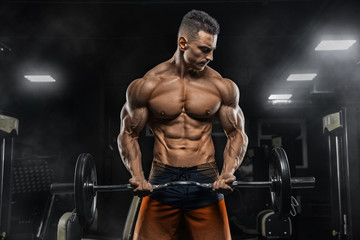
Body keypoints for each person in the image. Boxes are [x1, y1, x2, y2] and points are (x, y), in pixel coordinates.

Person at [118, 9, 248, 240]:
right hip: (161, 179)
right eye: (205, 50)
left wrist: (228, 172)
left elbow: (237, 133)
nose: (210, 57)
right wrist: (137, 176)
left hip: (207, 178)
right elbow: (128, 133)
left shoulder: (222, 86)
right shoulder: (147, 85)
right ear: (183, 43)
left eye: (212, 51)